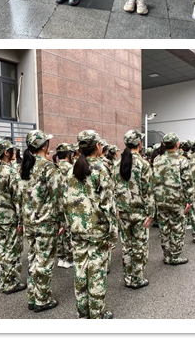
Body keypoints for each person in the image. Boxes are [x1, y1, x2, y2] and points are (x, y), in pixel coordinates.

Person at [62, 131, 117, 319]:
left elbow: (65, 201)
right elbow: (108, 205)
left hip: (77, 229)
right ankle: (97, 314)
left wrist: (70, 225)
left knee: (80, 271)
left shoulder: (71, 170)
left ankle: (83, 312)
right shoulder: (101, 169)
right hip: (97, 230)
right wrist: (113, 234)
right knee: (96, 273)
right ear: (98, 146)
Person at [20, 129, 62, 313]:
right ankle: (42, 299)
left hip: (29, 220)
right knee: (44, 260)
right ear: (44, 146)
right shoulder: (47, 167)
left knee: (33, 258)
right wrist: (62, 221)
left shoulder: (24, 166)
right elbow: (57, 195)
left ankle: (33, 296)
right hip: (45, 221)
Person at [114, 130, 155, 289]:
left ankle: (128, 278)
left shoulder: (117, 164)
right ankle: (137, 278)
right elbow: (148, 191)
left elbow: (114, 189)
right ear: (139, 143)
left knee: (126, 246)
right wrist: (150, 213)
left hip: (123, 212)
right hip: (140, 213)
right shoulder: (143, 164)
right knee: (139, 245)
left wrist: (117, 209)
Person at [153, 133, 194, 265]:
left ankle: (167, 255)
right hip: (177, 200)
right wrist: (189, 200)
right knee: (177, 228)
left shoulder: (157, 160)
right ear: (177, 144)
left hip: (160, 200)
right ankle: (175, 256)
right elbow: (187, 182)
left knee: (164, 228)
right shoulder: (182, 160)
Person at [0, 138, 26, 294]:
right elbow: (18, 198)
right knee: (12, 250)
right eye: (13, 150)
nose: (15, 152)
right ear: (6, 153)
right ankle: (10, 283)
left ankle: (4, 281)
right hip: (10, 217)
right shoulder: (10, 172)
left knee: (3, 249)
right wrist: (21, 221)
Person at [53, 142, 74, 269]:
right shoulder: (70, 168)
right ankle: (69, 258)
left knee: (59, 231)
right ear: (68, 154)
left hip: (55, 204)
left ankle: (60, 257)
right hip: (67, 203)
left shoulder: (53, 167)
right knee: (68, 231)